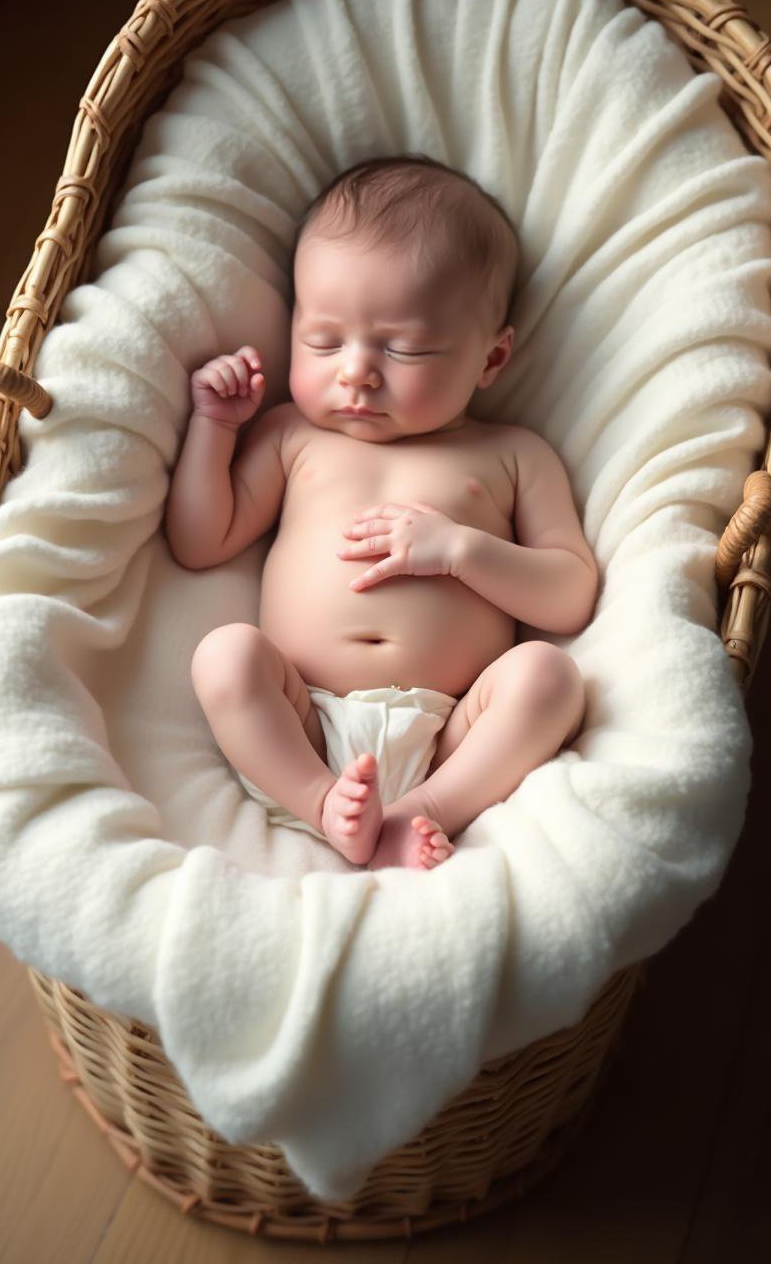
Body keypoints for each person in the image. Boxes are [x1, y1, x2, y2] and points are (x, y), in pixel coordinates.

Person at [164, 154, 598, 871]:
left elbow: (570, 595)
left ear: (491, 359)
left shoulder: (515, 455)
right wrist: (214, 427)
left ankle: (418, 813)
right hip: (299, 722)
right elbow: (198, 540)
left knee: (548, 677)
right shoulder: (291, 436)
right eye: (324, 340)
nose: (356, 370)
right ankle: (325, 808)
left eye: (405, 348)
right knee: (225, 655)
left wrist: (461, 549)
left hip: (454, 732)